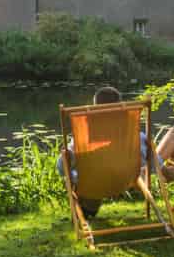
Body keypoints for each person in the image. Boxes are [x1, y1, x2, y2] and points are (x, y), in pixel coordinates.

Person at [57, 85, 148, 218]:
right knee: (100, 173)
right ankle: (88, 208)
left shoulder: (84, 137)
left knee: (74, 175)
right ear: (120, 107)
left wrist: (68, 156)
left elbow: (61, 168)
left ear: (95, 108)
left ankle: (85, 210)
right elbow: (152, 161)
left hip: (92, 182)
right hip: (126, 180)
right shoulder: (135, 136)